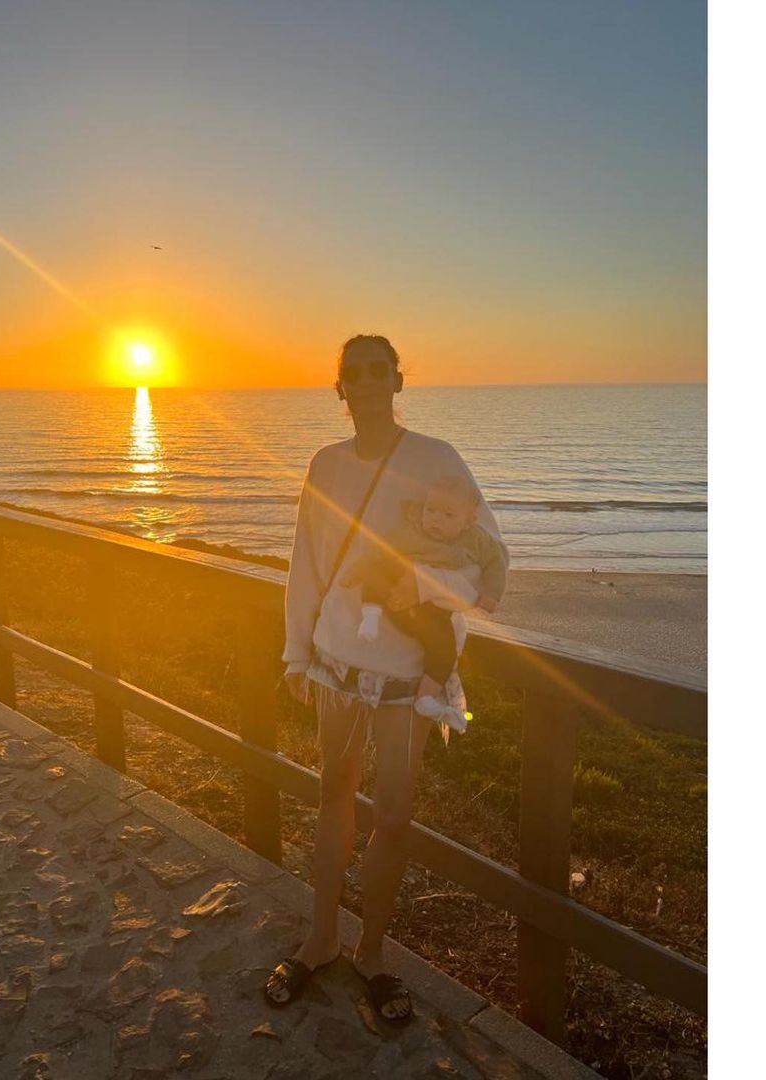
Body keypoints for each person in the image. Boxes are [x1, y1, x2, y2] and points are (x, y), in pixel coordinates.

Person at [263, 334, 507, 1025]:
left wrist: (421, 586)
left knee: (394, 817)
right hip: (337, 665)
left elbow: (489, 554)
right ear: (339, 386)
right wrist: (295, 655)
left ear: (398, 380)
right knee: (332, 795)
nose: (367, 382)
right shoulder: (325, 464)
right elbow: (306, 564)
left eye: (380, 371)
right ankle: (321, 938)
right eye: (354, 373)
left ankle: (371, 952)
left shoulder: (437, 459)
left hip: (406, 678)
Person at [342, 474, 507, 734]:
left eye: (448, 515)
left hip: (431, 611)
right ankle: (370, 616)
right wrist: (354, 573)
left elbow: (496, 562)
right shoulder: (410, 530)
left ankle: (426, 698)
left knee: (445, 647)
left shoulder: (477, 540)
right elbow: (377, 549)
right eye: (430, 510)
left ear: (468, 521)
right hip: (392, 601)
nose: (435, 519)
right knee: (383, 565)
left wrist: (492, 594)